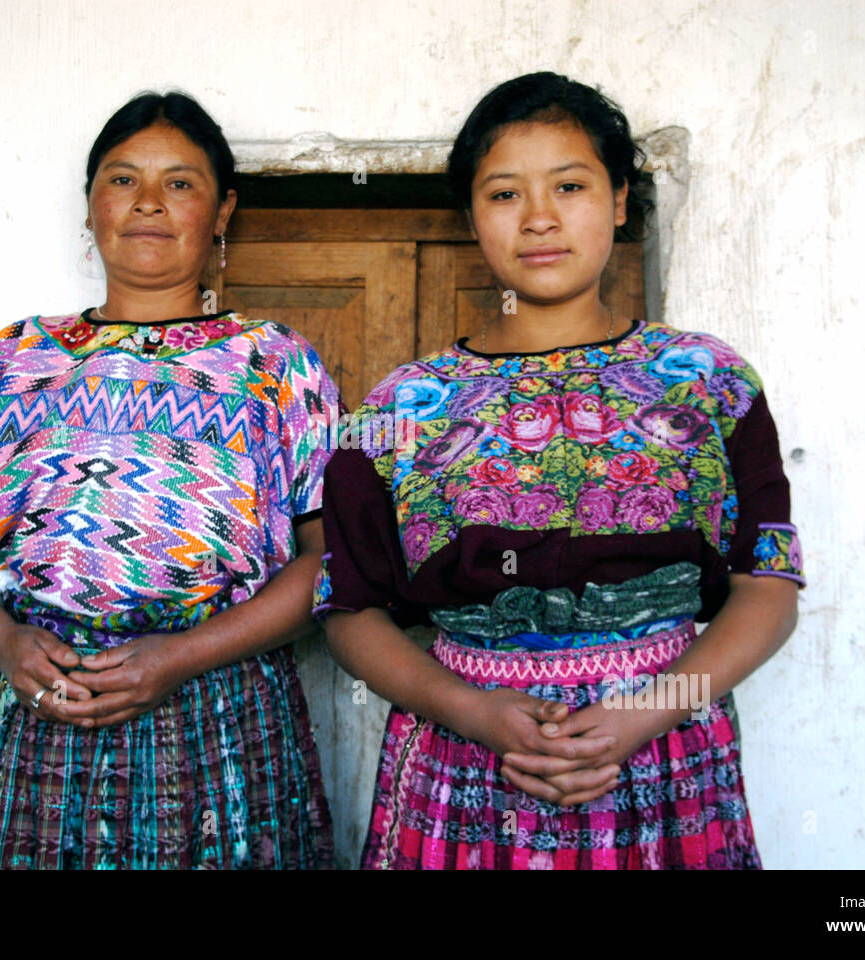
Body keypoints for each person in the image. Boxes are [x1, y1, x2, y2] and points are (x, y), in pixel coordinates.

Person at [313, 72, 804, 869]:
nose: (539, 217)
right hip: (466, 766)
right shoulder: (401, 408)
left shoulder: (708, 381)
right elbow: (349, 610)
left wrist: (644, 712)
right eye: (504, 194)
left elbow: (769, 589)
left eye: (570, 186)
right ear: (473, 218)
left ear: (618, 200)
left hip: (664, 757)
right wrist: (472, 711)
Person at [0, 91, 338, 869]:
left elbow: (328, 558)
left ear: (222, 209)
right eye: (121, 179)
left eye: (179, 182)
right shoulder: (14, 360)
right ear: (89, 205)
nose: (147, 203)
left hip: (220, 716)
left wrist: (175, 658)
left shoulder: (277, 366)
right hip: (37, 707)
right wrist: (4, 642)